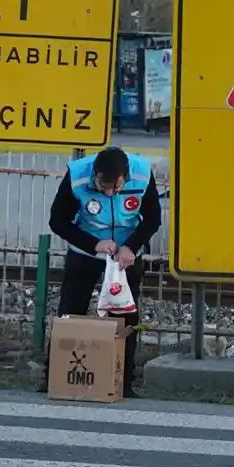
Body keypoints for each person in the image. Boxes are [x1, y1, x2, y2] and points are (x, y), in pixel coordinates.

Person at [42, 146, 163, 398]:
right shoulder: (77, 175)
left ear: (126, 176)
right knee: (70, 313)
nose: (110, 192)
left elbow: (152, 218)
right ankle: (55, 375)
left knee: (126, 319)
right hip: (87, 252)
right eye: (103, 186)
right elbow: (58, 220)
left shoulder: (142, 172)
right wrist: (92, 244)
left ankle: (124, 381)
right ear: (94, 174)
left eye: (116, 188)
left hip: (125, 257)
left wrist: (131, 246)